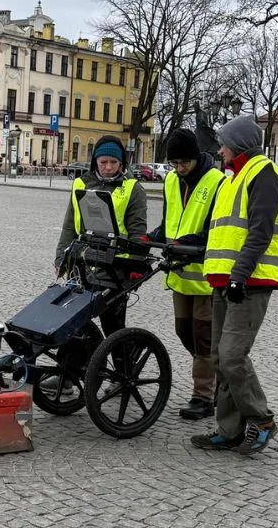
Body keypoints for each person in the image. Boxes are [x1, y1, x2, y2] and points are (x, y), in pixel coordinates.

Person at [190, 115, 278, 455]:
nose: (219, 150)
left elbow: (260, 233)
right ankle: (229, 429)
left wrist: (239, 276)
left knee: (233, 357)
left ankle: (261, 419)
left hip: (249, 282)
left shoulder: (264, 174)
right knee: (219, 358)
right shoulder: (232, 178)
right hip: (224, 281)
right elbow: (221, 231)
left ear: (240, 145)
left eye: (224, 144)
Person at [148, 129, 227, 421]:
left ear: (195, 158)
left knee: (203, 338)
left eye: (184, 163)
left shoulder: (217, 183)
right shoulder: (171, 180)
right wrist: (153, 237)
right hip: (180, 273)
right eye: (174, 164)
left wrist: (192, 242)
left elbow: (216, 230)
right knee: (185, 332)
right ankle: (218, 376)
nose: (179, 169)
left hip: (206, 277)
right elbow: (171, 221)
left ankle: (203, 397)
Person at [53, 135, 148, 333]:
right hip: (82, 262)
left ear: (121, 162)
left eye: (114, 162)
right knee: (73, 323)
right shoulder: (81, 184)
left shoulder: (132, 189)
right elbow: (69, 226)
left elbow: (138, 231)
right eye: (103, 162)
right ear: (95, 161)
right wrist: (61, 257)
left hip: (115, 265)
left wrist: (136, 264)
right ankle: (83, 361)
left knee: (112, 325)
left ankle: (122, 362)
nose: (108, 167)